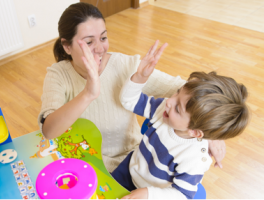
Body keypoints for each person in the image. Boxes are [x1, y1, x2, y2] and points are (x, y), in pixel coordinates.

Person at [38, 2, 225, 172]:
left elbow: (188, 90)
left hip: (132, 164)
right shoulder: (58, 75)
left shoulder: (127, 65)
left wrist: (211, 133)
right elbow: (49, 131)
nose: (100, 48)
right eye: (88, 42)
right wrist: (88, 93)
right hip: (82, 164)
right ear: (67, 46)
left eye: (103, 38)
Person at [111, 43, 249, 200]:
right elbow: (129, 101)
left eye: (178, 108)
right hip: (128, 172)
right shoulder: (163, 110)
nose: (169, 101)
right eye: (177, 93)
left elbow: (182, 195)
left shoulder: (194, 159)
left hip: (155, 194)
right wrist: (140, 77)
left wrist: (149, 194)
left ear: (195, 132)